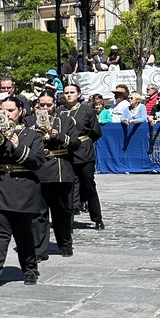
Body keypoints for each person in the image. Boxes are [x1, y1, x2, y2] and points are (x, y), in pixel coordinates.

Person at [0, 98, 45, 288]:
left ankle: (29, 269)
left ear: (20, 112)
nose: (8, 114)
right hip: (0, 187)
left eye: (11, 110)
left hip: (24, 188)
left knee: (23, 232)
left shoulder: (32, 135)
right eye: (3, 111)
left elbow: (37, 161)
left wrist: (18, 148)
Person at [27, 91, 79, 260]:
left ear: (54, 105)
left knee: (62, 212)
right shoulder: (29, 121)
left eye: (48, 105)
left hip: (59, 171)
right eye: (42, 105)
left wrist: (59, 135)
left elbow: (76, 143)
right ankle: (39, 250)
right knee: (38, 214)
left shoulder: (65, 120)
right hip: (37, 171)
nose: (45, 108)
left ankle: (65, 243)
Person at [61, 83, 104, 231]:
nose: (69, 95)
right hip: (67, 152)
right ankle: (69, 219)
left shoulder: (87, 110)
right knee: (69, 186)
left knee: (88, 185)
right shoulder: (60, 111)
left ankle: (97, 218)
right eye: (66, 92)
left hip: (84, 151)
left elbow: (96, 132)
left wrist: (84, 142)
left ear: (78, 94)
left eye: (72, 92)